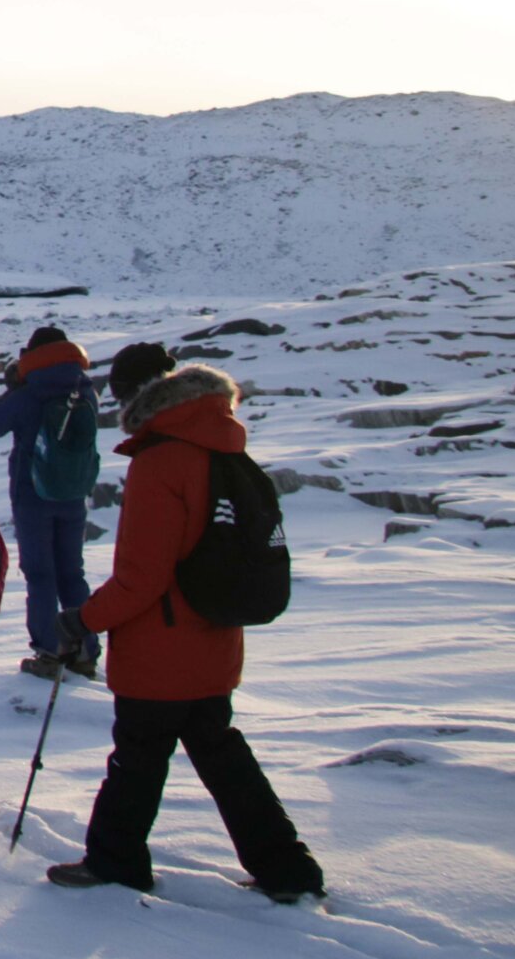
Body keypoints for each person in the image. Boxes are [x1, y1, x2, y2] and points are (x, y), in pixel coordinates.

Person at [46, 361, 326, 901]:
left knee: (137, 760)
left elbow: (142, 578)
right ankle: (288, 870)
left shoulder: (162, 461)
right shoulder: (225, 449)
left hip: (159, 650)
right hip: (215, 639)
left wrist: (81, 619)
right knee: (223, 759)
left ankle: (115, 862)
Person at [0, 326, 101, 680]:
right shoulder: (86, 389)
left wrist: (14, 388)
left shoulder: (30, 392)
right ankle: (85, 649)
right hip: (74, 494)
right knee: (71, 574)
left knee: (41, 574)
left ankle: (50, 652)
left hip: (33, 497)